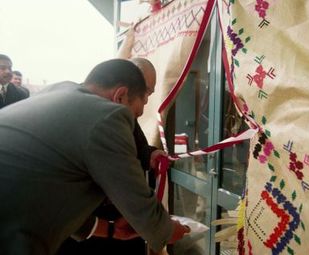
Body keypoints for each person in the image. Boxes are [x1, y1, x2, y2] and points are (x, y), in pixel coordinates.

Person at [0, 58, 190, 255]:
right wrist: (167, 229)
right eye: (134, 114)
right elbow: (138, 202)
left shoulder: (58, 91)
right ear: (121, 96)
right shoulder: (108, 117)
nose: (132, 124)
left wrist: (109, 229)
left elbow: (47, 198)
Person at [57, 58, 166, 255]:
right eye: (145, 92)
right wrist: (163, 229)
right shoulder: (101, 120)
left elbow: (137, 145)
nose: (147, 101)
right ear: (123, 92)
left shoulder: (69, 97)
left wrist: (150, 154)